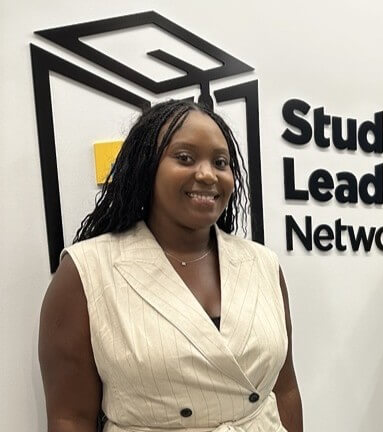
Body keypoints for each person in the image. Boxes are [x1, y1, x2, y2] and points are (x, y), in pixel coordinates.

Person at [38, 100, 303, 432]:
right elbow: (70, 418)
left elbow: (285, 389)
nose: (207, 174)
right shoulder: (86, 272)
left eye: (221, 162)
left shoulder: (263, 264)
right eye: (185, 157)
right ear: (146, 167)